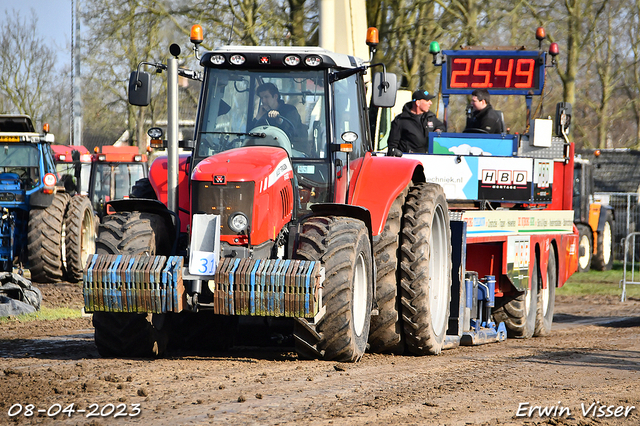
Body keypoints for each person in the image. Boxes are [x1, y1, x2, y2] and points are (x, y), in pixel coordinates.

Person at [387, 90, 445, 156]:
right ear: (417, 103)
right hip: (410, 160)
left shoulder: (430, 117)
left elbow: (441, 127)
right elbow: (392, 146)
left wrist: (438, 131)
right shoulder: (400, 120)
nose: (430, 103)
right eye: (427, 100)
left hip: (429, 158)